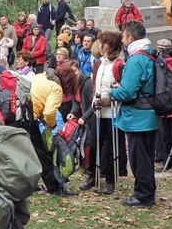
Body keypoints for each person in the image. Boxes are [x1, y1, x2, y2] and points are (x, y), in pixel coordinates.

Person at [109, 21, 160, 206]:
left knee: (139, 158)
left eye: (123, 36)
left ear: (130, 38)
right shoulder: (150, 54)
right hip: (149, 115)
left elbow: (127, 92)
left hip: (138, 117)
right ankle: (148, 191)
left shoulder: (136, 59)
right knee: (145, 156)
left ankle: (143, 195)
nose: (122, 40)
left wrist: (112, 92)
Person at [81, 31, 127, 194]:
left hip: (113, 112)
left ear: (111, 47)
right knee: (94, 144)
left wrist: (106, 101)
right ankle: (93, 175)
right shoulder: (99, 63)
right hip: (98, 111)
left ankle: (110, 180)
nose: (100, 46)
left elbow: (122, 90)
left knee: (110, 147)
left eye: (103, 44)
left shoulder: (120, 65)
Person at [27, 64, 71, 197]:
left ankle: (30, 184)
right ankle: (54, 187)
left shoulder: (41, 76)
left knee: (28, 153)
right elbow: (50, 112)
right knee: (42, 154)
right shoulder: (56, 88)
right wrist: (51, 125)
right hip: (30, 117)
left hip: (21, 113)